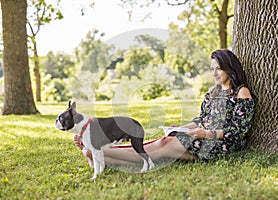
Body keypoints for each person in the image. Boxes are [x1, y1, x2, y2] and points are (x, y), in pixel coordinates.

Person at [74, 49, 255, 167]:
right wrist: (180, 128)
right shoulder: (213, 92)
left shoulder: (241, 93)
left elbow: (239, 131)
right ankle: (98, 155)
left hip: (223, 144)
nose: (214, 73)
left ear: (229, 68)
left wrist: (207, 134)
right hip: (203, 137)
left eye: (218, 69)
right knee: (163, 142)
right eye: (212, 69)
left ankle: (97, 150)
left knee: (163, 146)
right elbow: (201, 120)